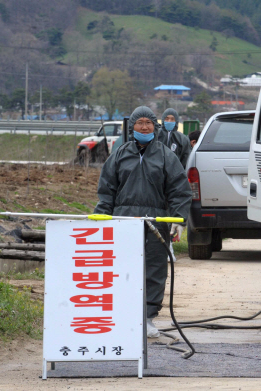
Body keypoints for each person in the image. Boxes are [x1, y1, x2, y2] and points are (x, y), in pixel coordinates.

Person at [93, 106, 192, 338]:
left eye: (149, 122)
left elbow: (180, 189)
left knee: (154, 268)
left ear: (155, 126)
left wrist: (178, 219)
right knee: (122, 268)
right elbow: (106, 190)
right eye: (140, 123)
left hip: (156, 220)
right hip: (122, 220)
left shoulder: (166, 155)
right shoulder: (119, 154)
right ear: (132, 127)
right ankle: (122, 315)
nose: (145, 127)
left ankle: (147, 318)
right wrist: (102, 217)